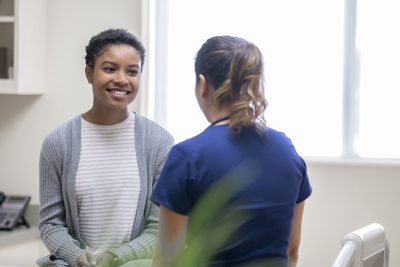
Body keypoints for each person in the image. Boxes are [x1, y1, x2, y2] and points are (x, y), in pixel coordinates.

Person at [150, 35, 312, 267]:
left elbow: (168, 260)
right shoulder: (287, 151)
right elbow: (291, 250)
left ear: (203, 85)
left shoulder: (187, 157)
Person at [37, 28, 174, 267]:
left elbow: (158, 227)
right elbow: (50, 224)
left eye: (132, 71)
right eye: (110, 69)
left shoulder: (159, 142)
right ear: (89, 73)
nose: (122, 79)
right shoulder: (57, 142)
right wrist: (77, 257)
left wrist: (115, 257)